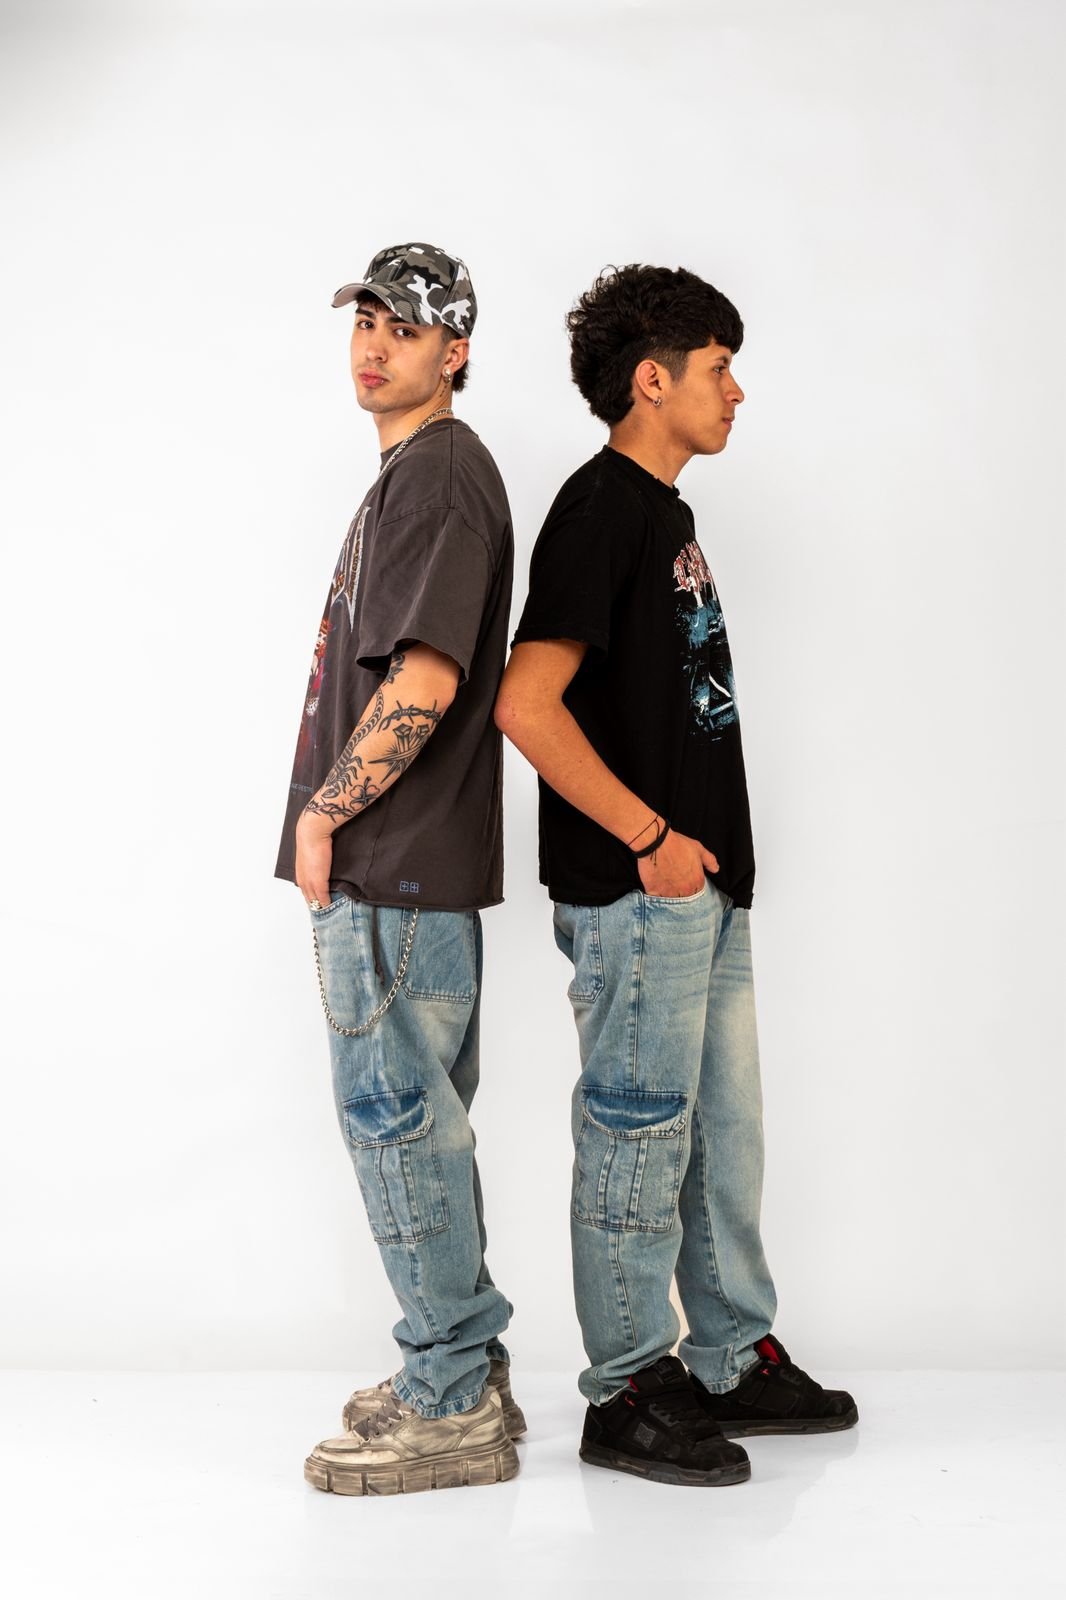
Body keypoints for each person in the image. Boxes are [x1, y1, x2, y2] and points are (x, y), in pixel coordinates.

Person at [495, 263, 857, 1488]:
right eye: (717, 367)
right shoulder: (599, 508)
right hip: (637, 889)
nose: (735, 391)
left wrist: (699, 863)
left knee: (723, 1137)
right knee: (638, 1135)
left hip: (700, 889)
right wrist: (650, 839)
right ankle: (626, 1388)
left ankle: (729, 1356)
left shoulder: (665, 514)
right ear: (652, 381)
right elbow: (525, 705)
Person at [276, 242, 521, 1497]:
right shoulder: (417, 476)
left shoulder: (438, 476)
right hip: (404, 875)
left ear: (454, 351)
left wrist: (324, 816)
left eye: (405, 328)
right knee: (421, 1128)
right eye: (364, 321)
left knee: (398, 1129)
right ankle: (460, 1368)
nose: (374, 345)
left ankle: (449, 1397)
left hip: (390, 868)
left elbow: (425, 676)